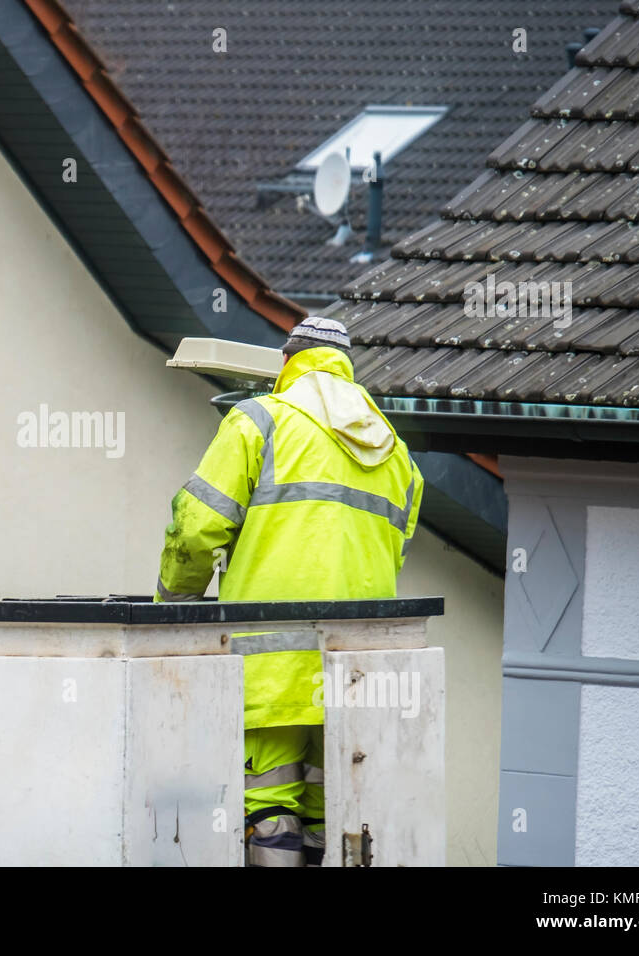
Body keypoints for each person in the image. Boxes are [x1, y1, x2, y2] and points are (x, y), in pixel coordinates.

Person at [153, 316, 423, 866]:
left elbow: (197, 527)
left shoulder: (259, 421)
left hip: (269, 668)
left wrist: (172, 608)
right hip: (353, 674)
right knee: (333, 806)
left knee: (268, 804)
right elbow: (387, 558)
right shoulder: (399, 459)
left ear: (287, 363)